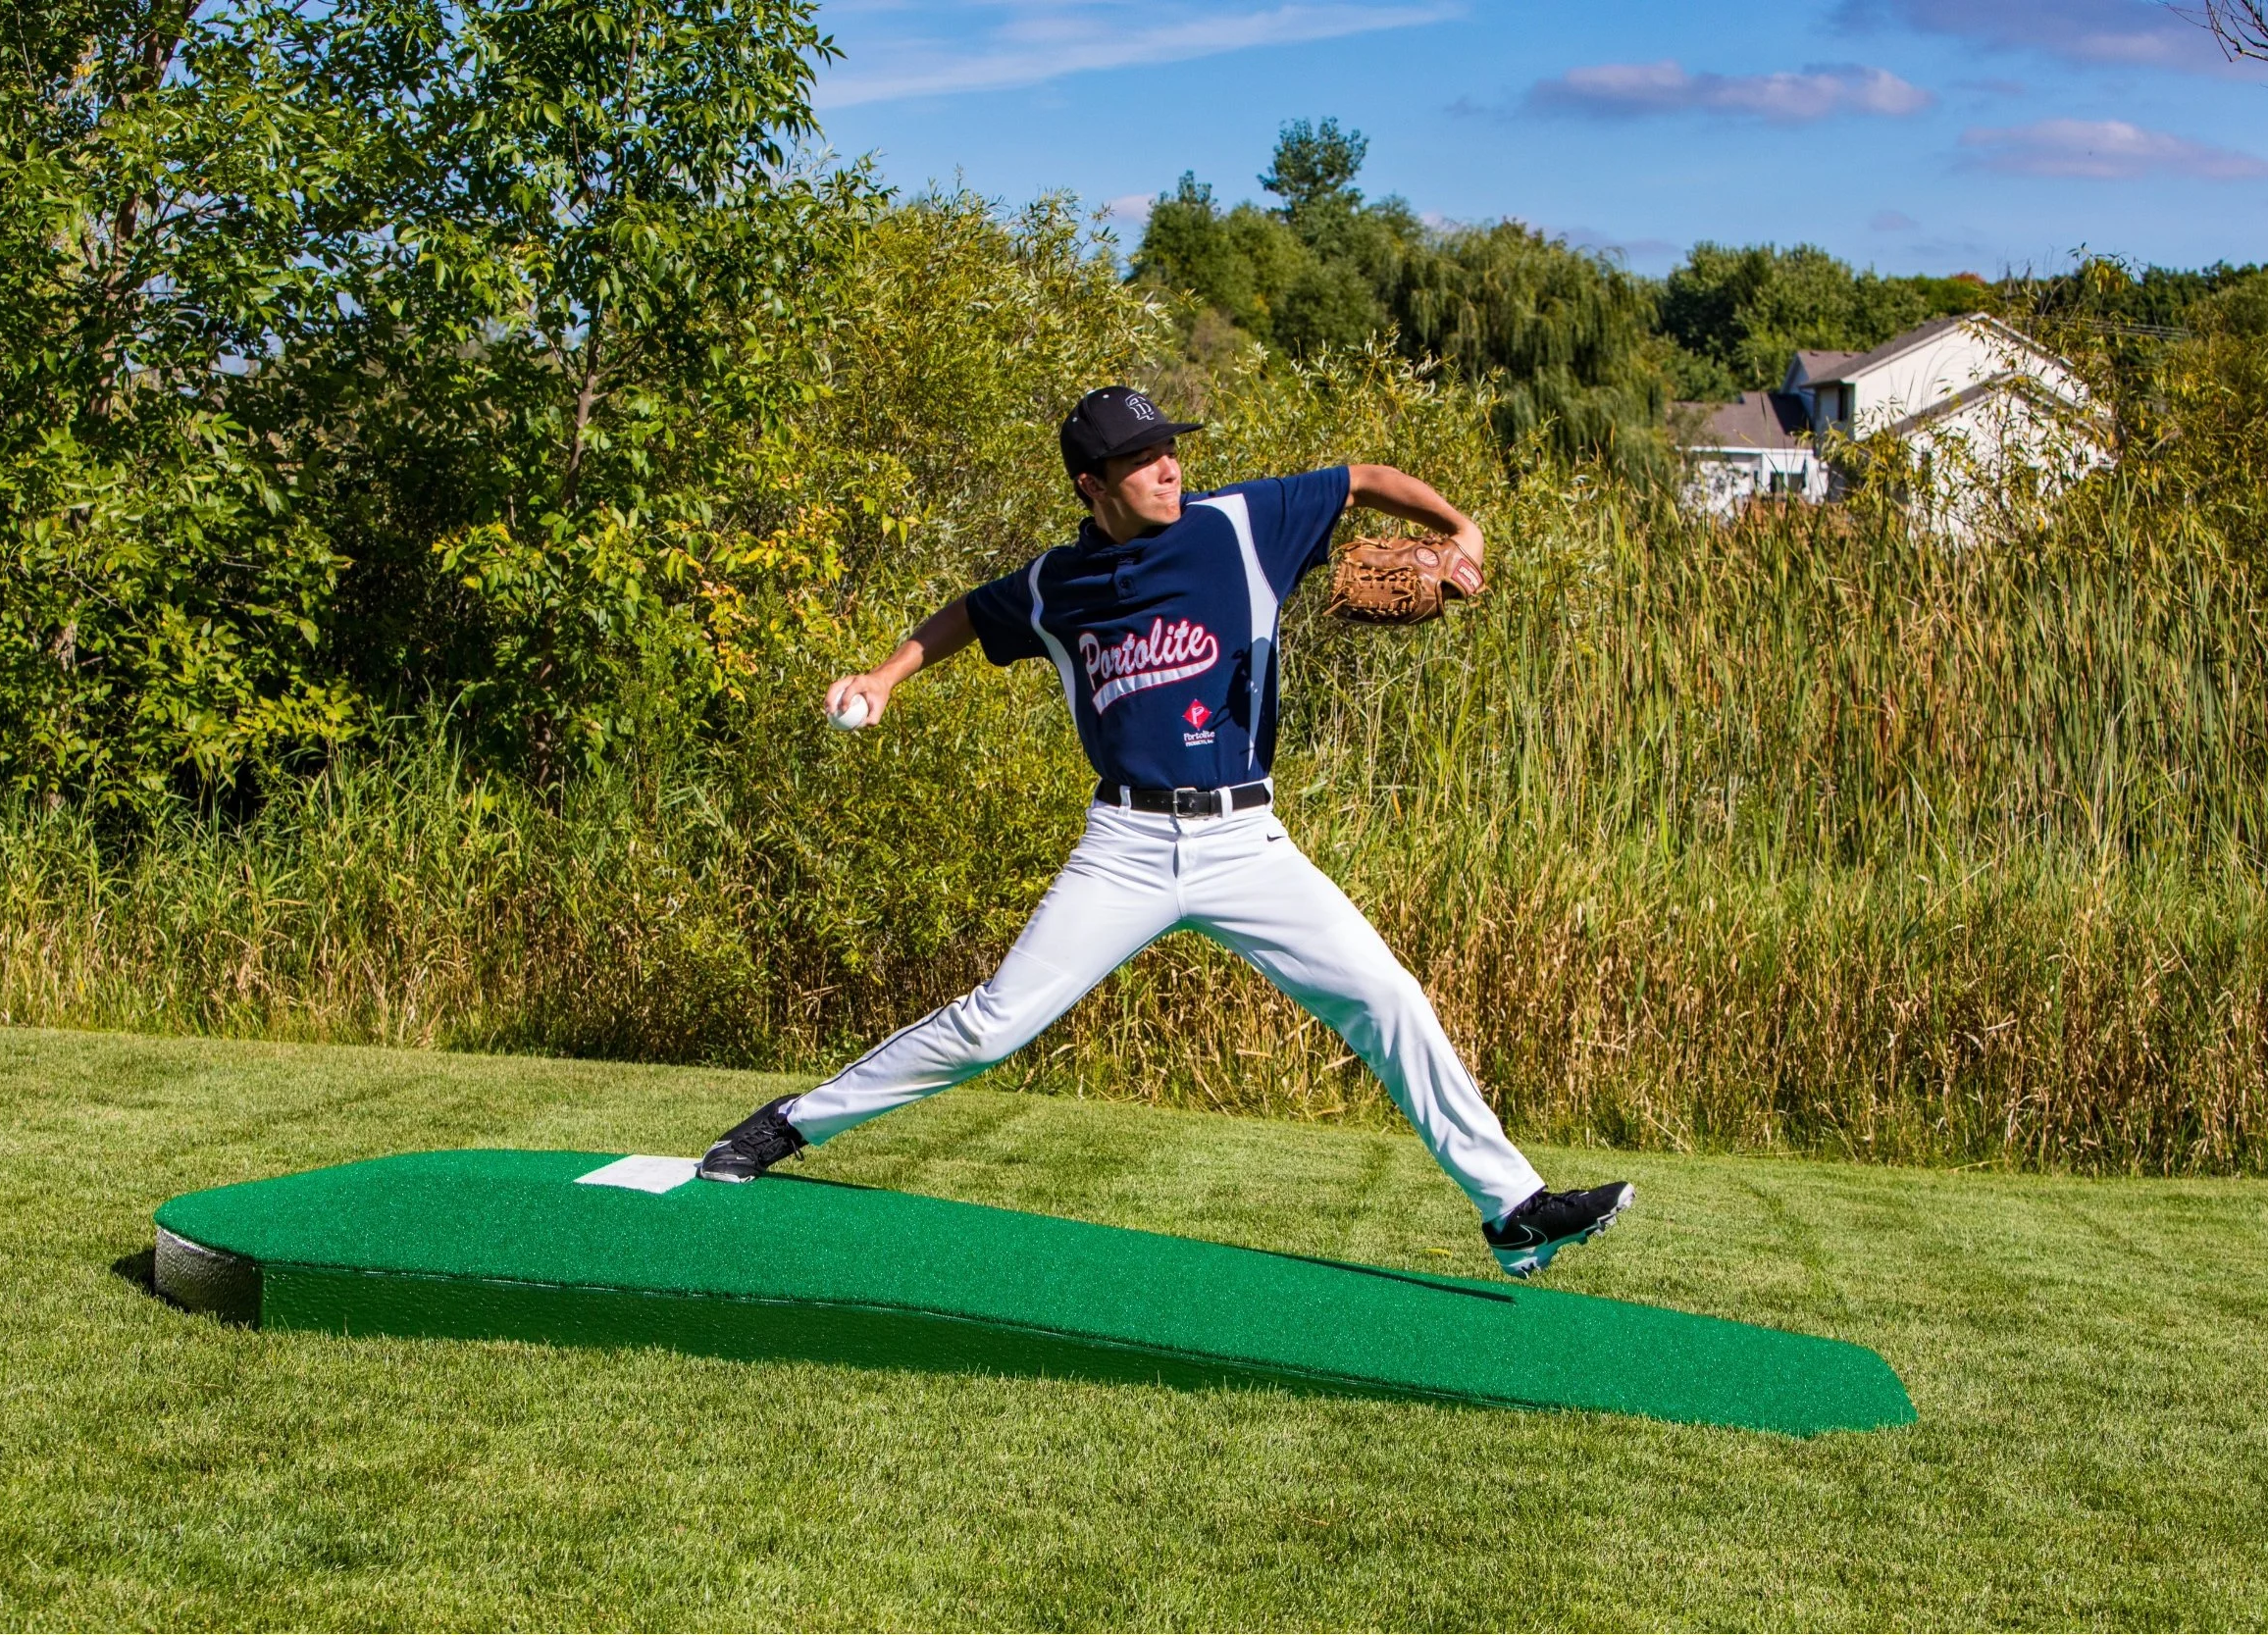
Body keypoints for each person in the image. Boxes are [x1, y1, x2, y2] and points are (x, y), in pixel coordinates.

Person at [697, 386, 1632, 1275]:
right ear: (1092, 486)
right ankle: (789, 1123)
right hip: (1127, 846)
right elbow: (970, 615)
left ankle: (1512, 1208)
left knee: (1386, 999)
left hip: (1247, 842)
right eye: (1138, 459)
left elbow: (1361, 478)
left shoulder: (1241, 525)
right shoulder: (1058, 583)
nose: (1165, 467)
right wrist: (886, 675)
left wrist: (1459, 531)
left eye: (1167, 447)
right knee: (994, 1025)